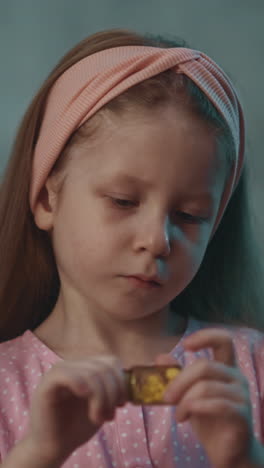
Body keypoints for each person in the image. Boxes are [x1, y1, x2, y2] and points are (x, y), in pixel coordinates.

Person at [0, 27, 264, 468]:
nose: (157, 240)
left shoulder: (249, 370)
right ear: (48, 199)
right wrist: (37, 456)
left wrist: (242, 457)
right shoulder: (7, 384)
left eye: (190, 216)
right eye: (123, 201)